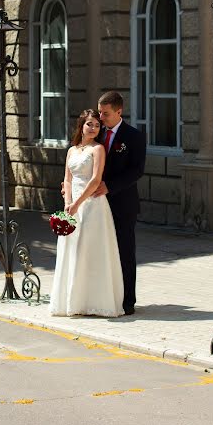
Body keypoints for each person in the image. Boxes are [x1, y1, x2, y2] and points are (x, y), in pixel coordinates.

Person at [49, 109, 124, 317]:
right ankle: (72, 301)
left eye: (97, 125)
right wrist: (67, 204)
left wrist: (78, 204)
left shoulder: (98, 149)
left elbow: (95, 180)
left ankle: (95, 302)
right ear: (81, 125)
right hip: (72, 205)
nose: (93, 128)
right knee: (72, 251)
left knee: (91, 251)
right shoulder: (72, 150)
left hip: (92, 205)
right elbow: (68, 179)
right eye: (89, 124)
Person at [94, 91, 147, 316]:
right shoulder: (96, 134)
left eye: (105, 114)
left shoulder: (134, 136)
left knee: (125, 252)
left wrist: (110, 186)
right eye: (99, 113)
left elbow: (137, 171)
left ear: (119, 111)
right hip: (96, 205)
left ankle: (127, 301)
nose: (101, 118)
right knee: (100, 252)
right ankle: (103, 298)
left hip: (123, 204)